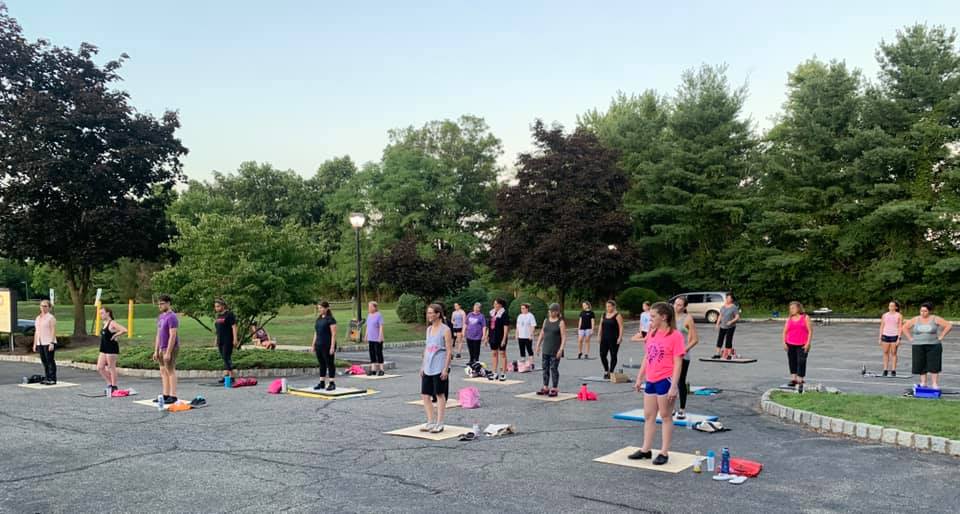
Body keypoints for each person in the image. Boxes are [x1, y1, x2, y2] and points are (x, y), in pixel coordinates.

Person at [629, 302, 686, 465]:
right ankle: (645, 449)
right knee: (648, 415)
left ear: (664, 317)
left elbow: (678, 363)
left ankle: (664, 452)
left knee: (666, 416)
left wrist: (674, 386)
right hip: (651, 379)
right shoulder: (652, 333)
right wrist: (640, 377)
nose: (650, 320)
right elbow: (648, 357)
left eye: (653, 316)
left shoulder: (675, 336)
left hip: (665, 379)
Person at [419, 303, 454, 433]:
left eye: (430, 313)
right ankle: (430, 421)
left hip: (439, 366)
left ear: (438, 314)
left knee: (439, 394)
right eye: (427, 313)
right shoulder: (428, 330)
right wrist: (422, 366)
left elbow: (449, 351)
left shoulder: (445, 330)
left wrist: (445, 368)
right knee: (425, 395)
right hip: (428, 365)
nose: (428, 315)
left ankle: (440, 423)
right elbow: (427, 349)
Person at [902, 302, 952, 389]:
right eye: (921, 311)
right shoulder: (915, 319)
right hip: (918, 345)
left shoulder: (935, 319)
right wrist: (910, 338)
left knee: (934, 365)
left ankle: (934, 384)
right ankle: (923, 383)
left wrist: (941, 336)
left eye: (925, 311)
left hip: (934, 345)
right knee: (921, 364)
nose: (922, 313)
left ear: (929, 311)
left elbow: (948, 325)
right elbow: (904, 327)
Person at [673, 297, 699, 419]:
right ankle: (671, 407)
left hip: (683, 354)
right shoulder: (670, 317)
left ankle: (682, 409)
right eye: (675, 304)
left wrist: (684, 350)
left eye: (679, 305)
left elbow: (695, 339)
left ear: (684, 307)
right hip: (670, 354)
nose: (676, 306)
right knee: (668, 380)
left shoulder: (687, 318)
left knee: (680, 381)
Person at [153, 294, 180, 403]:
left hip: (170, 347)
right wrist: (156, 350)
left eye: (162, 303)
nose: (160, 306)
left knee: (170, 370)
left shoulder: (172, 317)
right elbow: (158, 334)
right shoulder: (161, 317)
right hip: (161, 348)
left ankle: (173, 396)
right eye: (159, 304)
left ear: (168, 303)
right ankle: (165, 394)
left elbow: (173, 335)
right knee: (163, 371)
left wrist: (168, 352)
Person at [535, 303, 566, 396]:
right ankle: (545, 387)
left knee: (553, 368)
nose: (550, 312)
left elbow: (564, 337)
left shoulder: (560, 322)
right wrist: (538, 345)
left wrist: (561, 349)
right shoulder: (546, 320)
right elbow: (542, 333)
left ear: (556, 312)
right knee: (545, 368)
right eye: (549, 311)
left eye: (552, 311)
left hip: (555, 349)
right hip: (546, 348)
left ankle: (555, 388)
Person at [782, 301, 812, 393]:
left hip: (802, 344)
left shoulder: (805, 317)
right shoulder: (789, 319)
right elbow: (784, 332)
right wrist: (784, 342)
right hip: (790, 343)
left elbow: (810, 331)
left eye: (793, 308)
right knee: (792, 361)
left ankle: (800, 379)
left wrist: (808, 343)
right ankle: (794, 379)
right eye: (790, 308)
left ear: (798, 308)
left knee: (801, 361)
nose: (791, 310)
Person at [97, 307, 127, 392]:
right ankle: (109, 383)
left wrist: (115, 335)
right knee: (100, 367)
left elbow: (124, 330)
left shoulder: (112, 323)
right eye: (100, 313)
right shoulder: (104, 323)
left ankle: (114, 386)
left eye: (102, 313)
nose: (101, 315)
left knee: (111, 367)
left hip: (111, 347)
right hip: (103, 347)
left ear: (108, 313)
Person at [312, 301, 338, 391]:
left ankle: (332, 383)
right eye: (319, 308)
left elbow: (333, 334)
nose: (320, 309)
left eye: (321, 308)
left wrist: (332, 346)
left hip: (327, 344)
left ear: (327, 308)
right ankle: (322, 382)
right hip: (319, 344)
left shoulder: (330, 319)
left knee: (330, 363)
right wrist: (313, 344)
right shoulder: (318, 319)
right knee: (321, 363)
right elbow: (316, 332)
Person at [596, 300, 624, 379]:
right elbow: (601, 325)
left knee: (613, 355)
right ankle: (606, 370)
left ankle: (611, 371)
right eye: (606, 306)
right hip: (604, 338)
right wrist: (599, 335)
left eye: (609, 306)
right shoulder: (604, 314)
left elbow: (621, 327)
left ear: (613, 306)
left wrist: (620, 337)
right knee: (602, 355)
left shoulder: (617, 315)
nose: (607, 308)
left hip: (614, 338)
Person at [33, 300, 58, 385]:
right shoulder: (38, 318)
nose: (43, 308)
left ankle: (52, 378)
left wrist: (51, 342)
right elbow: (37, 331)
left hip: (48, 342)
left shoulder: (51, 318)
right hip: (40, 342)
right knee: (44, 361)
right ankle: (47, 377)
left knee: (50, 360)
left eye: (45, 306)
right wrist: (35, 343)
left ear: (49, 308)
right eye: (41, 306)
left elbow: (53, 330)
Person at [213, 298, 238, 384]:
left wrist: (235, 339)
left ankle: (232, 376)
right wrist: (216, 339)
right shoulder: (218, 316)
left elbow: (234, 326)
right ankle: (226, 376)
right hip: (221, 339)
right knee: (224, 357)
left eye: (218, 306)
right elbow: (217, 329)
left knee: (226, 356)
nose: (216, 308)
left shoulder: (229, 314)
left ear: (223, 306)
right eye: (215, 307)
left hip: (228, 339)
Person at [878, 301, 903, 376]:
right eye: (889, 306)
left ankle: (893, 370)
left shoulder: (899, 315)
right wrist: (880, 337)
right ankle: (885, 369)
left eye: (892, 306)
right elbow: (882, 326)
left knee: (894, 353)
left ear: (896, 307)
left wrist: (899, 338)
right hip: (885, 335)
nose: (891, 307)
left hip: (894, 336)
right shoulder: (884, 315)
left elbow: (900, 327)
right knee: (885, 352)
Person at [488, 298, 510, 381]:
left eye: (496, 303)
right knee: (494, 353)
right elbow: (489, 326)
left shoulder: (504, 313)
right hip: (492, 335)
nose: (494, 305)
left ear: (500, 305)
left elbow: (506, 327)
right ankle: (494, 373)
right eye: (494, 303)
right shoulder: (492, 312)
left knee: (502, 353)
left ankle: (503, 373)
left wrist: (504, 339)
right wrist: (487, 336)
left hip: (500, 336)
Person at [714, 293, 740, 360]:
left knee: (728, 340)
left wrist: (731, 321)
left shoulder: (734, 307)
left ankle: (729, 355)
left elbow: (737, 317)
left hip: (731, 327)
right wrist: (717, 324)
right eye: (727, 298)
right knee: (720, 339)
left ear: (731, 299)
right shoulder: (723, 306)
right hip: (723, 326)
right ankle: (717, 354)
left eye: (729, 298)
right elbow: (720, 315)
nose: (727, 299)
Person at [366, 301, 386, 376]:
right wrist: (366, 335)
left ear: (374, 307)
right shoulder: (369, 315)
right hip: (371, 338)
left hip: (377, 338)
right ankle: (373, 369)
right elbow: (368, 326)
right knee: (372, 353)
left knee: (379, 353)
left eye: (370, 307)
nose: (369, 308)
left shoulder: (379, 315)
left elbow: (381, 326)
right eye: (368, 307)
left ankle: (381, 369)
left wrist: (380, 336)